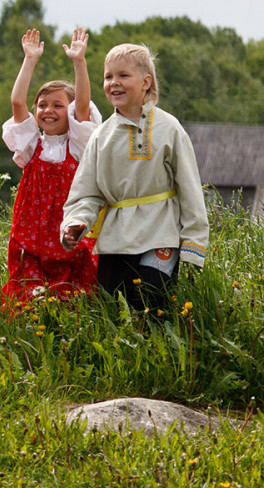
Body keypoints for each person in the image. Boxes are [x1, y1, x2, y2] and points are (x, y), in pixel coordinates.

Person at [61, 43, 209, 311]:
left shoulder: (169, 128)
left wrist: (193, 243)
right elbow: (86, 192)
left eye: (123, 75)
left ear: (146, 82)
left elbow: (189, 189)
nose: (114, 83)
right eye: (108, 77)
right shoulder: (100, 137)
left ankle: (161, 353)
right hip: (116, 238)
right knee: (115, 309)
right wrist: (76, 220)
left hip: (161, 234)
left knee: (151, 302)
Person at [0, 28, 101, 312]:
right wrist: (29, 59)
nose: (48, 110)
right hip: (31, 229)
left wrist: (79, 63)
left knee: (75, 290)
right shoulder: (32, 144)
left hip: (68, 226)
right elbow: (18, 102)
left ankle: (70, 326)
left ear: (69, 113)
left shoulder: (79, 144)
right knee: (27, 286)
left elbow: (82, 104)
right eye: (42, 105)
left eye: (58, 105)